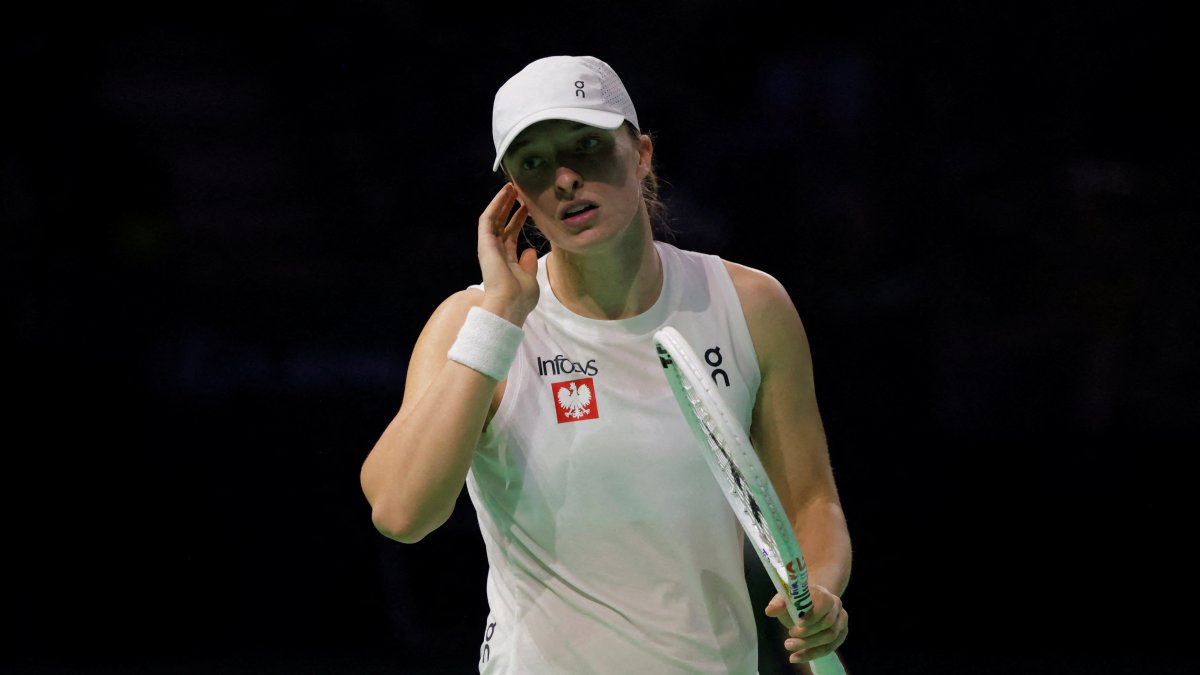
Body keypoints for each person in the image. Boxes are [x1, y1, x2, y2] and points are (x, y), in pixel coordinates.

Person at [359, 54, 851, 674]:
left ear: (641, 153)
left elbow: (810, 502)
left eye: (586, 146)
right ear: (511, 194)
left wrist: (820, 594)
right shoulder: (474, 324)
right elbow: (401, 513)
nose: (564, 178)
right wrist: (503, 314)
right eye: (533, 163)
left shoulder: (748, 305)